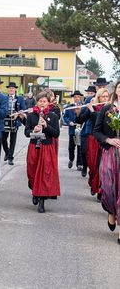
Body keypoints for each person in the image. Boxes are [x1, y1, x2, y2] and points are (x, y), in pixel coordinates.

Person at [93, 81, 120, 245]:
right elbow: (96, 131)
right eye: (119, 87)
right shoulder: (106, 109)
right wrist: (108, 140)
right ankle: (111, 210)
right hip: (110, 153)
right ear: (115, 90)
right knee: (109, 188)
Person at [25, 91, 60, 213]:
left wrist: (46, 126)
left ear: (48, 103)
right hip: (34, 146)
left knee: (45, 174)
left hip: (47, 147)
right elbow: (26, 132)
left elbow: (56, 133)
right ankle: (34, 190)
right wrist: (33, 130)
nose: (42, 103)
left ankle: (42, 201)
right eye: (40, 101)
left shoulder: (53, 116)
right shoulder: (31, 116)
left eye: (44, 101)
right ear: (37, 102)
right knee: (32, 171)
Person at [77, 88, 109, 200]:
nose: (105, 99)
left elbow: (100, 122)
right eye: (103, 97)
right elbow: (80, 119)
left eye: (106, 97)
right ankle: (93, 182)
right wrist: (83, 110)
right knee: (93, 165)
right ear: (98, 97)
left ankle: (100, 190)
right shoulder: (93, 106)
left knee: (102, 166)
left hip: (104, 139)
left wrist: (92, 112)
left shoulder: (109, 109)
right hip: (93, 139)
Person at [1, 82, 26, 165]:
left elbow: (23, 109)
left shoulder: (20, 98)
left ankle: (10, 158)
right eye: (10, 88)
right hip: (5, 120)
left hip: (15, 121)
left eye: (12, 88)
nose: (11, 89)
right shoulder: (4, 98)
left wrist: (18, 114)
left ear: (15, 89)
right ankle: (7, 152)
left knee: (13, 140)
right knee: (3, 139)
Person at [62, 90, 84, 171]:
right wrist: (69, 122)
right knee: (71, 147)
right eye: (75, 97)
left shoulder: (84, 107)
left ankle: (79, 164)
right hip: (72, 130)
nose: (77, 98)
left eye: (78, 97)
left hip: (80, 130)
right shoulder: (69, 107)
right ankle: (71, 159)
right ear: (73, 98)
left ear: (80, 97)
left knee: (80, 147)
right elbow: (65, 117)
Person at [79, 85, 97, 177]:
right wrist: (88, 109)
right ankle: (85, 166)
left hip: (96, 132)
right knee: (84, 150)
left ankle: (93, 171)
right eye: (88, 93)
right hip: (86, 130)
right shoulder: (87, 101)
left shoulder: (103, 101)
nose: (90, 95)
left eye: (91, 93)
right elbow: (80, 118)